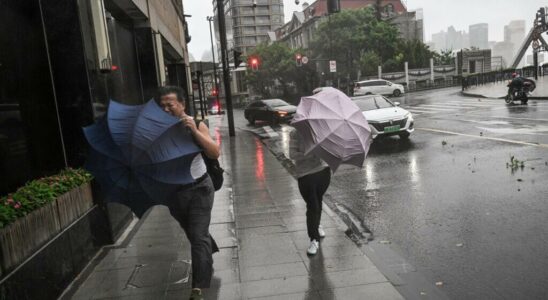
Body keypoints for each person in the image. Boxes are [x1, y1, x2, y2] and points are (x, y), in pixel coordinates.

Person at [155, 86, 220, 300]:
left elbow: (214, 151)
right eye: (162, 105)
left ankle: (198, 288)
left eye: (170, 105)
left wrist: (193, 129)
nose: (165, 109)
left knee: (198, 236)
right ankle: (207, 253)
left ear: (182, 105)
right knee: (194, 233)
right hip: (174, 192)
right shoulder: (158, 130)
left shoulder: (196, 123)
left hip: (200, 187)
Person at [289, 128, 331, 256]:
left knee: (317, 201)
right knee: (313, 205)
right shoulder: (296, 133)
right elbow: (292, 155)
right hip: (305, 174)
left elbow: (330, 151)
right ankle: (314, 239)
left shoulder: (322, 131)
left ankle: (316, 226)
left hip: (323, 171)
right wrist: (310, 152)